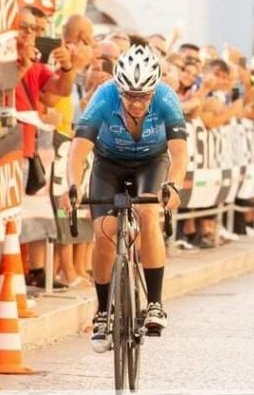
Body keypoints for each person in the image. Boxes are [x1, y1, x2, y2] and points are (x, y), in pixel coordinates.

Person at [65, 37, 188, 353]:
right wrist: (73, 184)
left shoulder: (166, 98)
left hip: (151, 161)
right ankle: (103, 311)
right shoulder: (104, 97)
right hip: (109, 164)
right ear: (119, 90)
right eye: (130, 97)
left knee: (149, 214)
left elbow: (179, 152)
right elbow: (79, 149)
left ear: (153, 91)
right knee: (105, 233)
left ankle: (156, 303)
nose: (136, 103)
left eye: (143, 97)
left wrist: (172, 186)